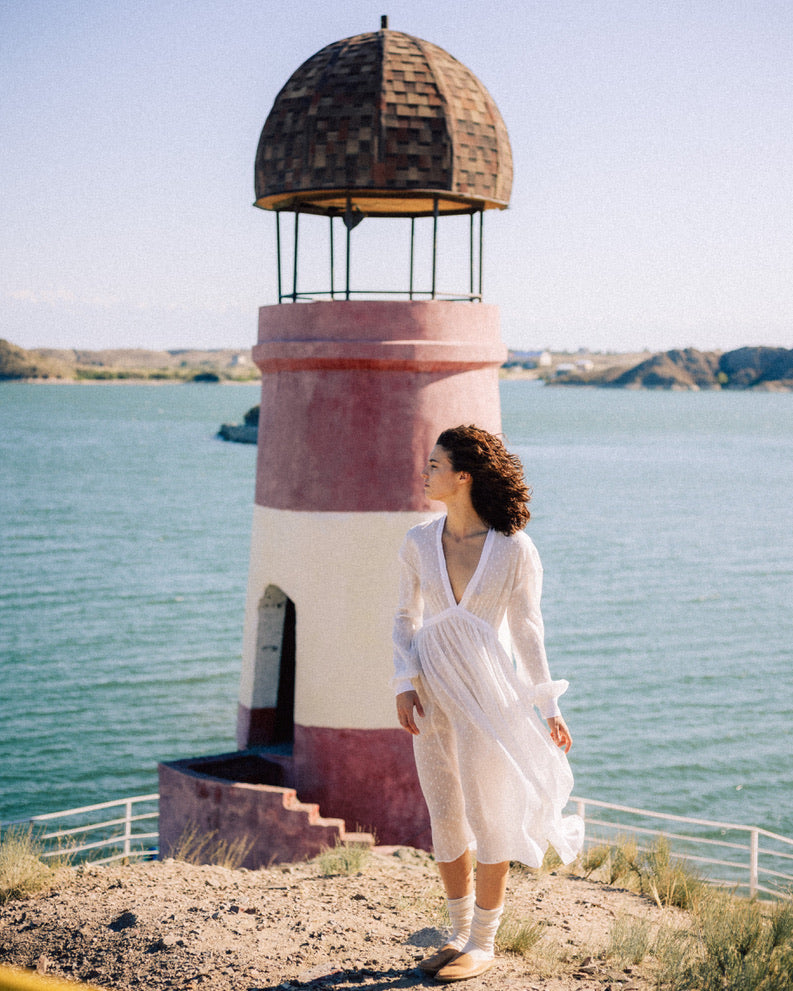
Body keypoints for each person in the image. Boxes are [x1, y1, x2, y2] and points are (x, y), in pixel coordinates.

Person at [392, 425, 584, 983]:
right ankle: (455, 933)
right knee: (444, 809)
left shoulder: (513, 549)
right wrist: (403, 681)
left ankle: (483, 941)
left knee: (489, 808)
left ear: (463, 476)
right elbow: (404, 617)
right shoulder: (416, 541)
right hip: (431, 690)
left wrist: (548, 706)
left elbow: (528, 631)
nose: (424, 473)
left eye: (434, 465)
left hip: (487, 692)